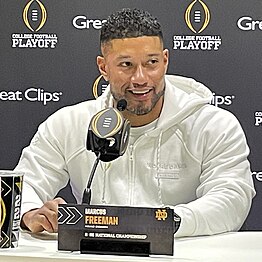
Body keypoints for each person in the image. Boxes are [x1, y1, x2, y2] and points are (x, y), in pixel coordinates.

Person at [16, 8, 255, 237]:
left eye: (151, 63)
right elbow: (20, 188)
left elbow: (232, 198)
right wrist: (30, 213)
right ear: (103, 67)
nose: (140, 78)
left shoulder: (213, 125)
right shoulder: (68, 124)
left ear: (165, 61)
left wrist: (163, 223)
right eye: (126, 65)